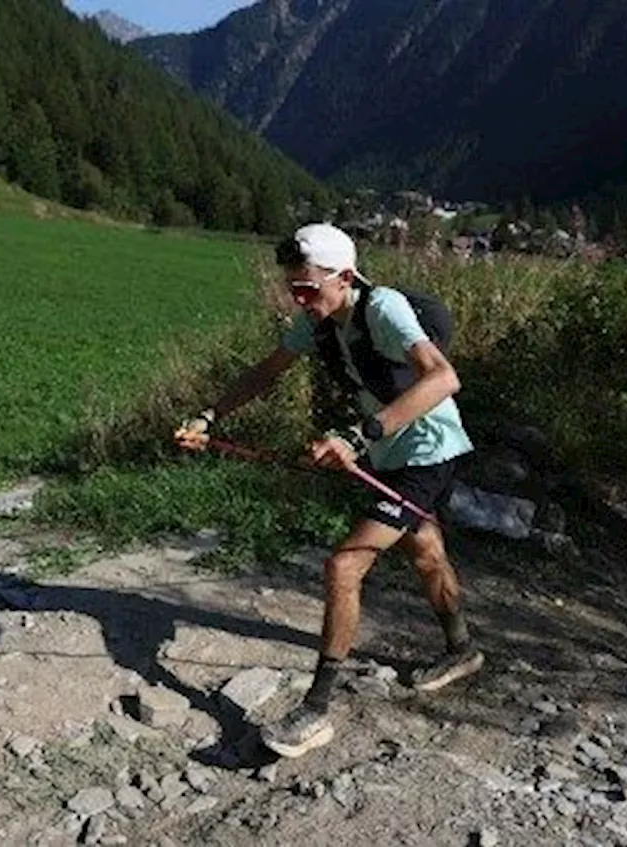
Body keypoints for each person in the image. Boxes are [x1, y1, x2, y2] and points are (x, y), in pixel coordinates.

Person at [173, 223, 483, 759]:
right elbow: (264, 373)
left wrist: (357, 437)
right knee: (426, 549)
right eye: (292, 288)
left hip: (431, 451)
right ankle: (462, 649)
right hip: (391, 454)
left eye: (307, 288)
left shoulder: (382, 307)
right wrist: (209, 416)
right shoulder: (316, 323)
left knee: (343, 566)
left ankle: (315, 710)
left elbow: (442, 378)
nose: (297, 298)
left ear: (343, 278)